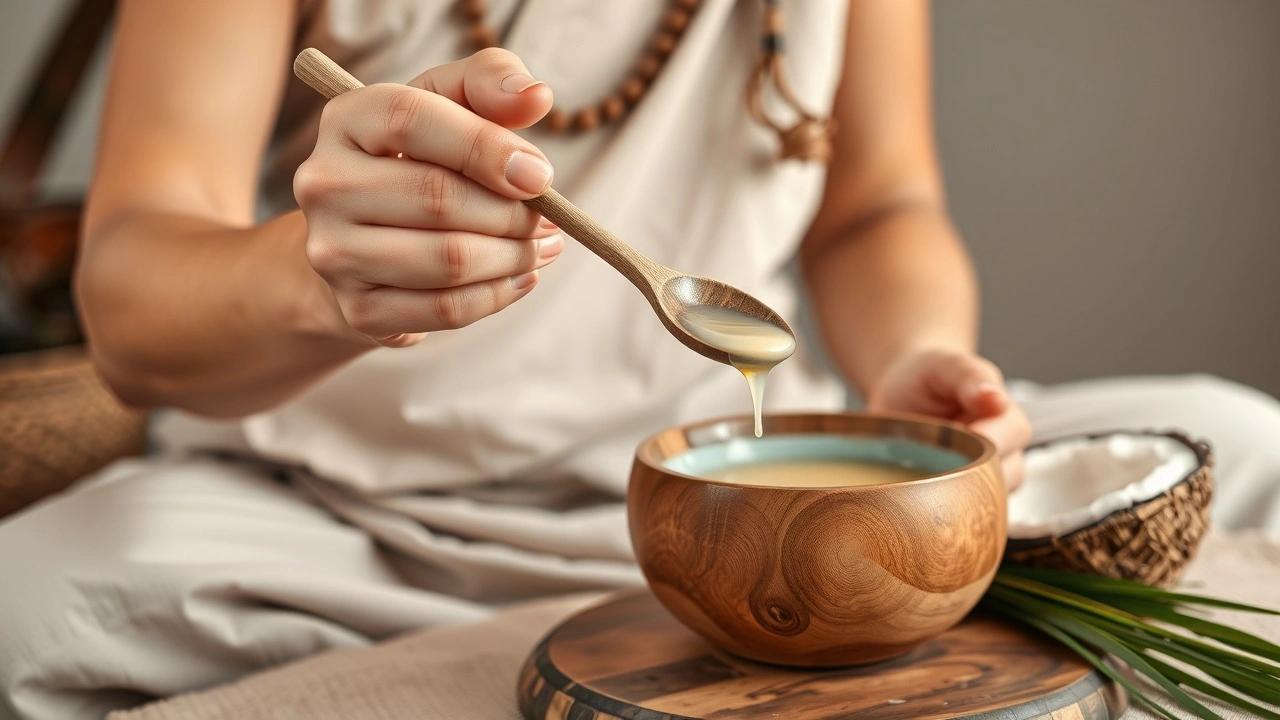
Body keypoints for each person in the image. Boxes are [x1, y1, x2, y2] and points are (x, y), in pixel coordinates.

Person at [2, 1, 1279, 718]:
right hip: (333, 525)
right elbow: (131, 306)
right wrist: (313, 275)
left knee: (1244, 439)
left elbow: (877, 208)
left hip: (740, 509)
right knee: (25, 608)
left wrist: (911, 359)